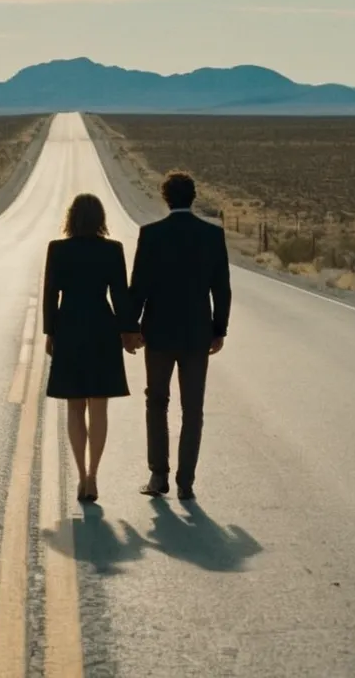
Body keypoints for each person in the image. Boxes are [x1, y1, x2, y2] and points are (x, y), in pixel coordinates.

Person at [125, 171, 231, 501]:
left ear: (166, 198)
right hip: (197, 334)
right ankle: (186, 481)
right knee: (193, 408)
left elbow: (138, 286)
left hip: (157, 332)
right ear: (194, 197)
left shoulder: (151, 234)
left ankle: (159, 475)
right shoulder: (212, 235)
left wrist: (131, 327)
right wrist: (219, 329)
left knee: (156, 401)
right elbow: (222, 289)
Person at [43, 193, 140, 503]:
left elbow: (50, 295)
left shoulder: (58, 250)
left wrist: (50, 332)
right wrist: (129, 331)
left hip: (69, 327)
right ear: (101, 220)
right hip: (102, 328)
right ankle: (93, 476)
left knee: (74, 406)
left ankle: (81, 473)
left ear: (71, 218)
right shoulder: (112, 250)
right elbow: (120, 296)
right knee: (99, 407)